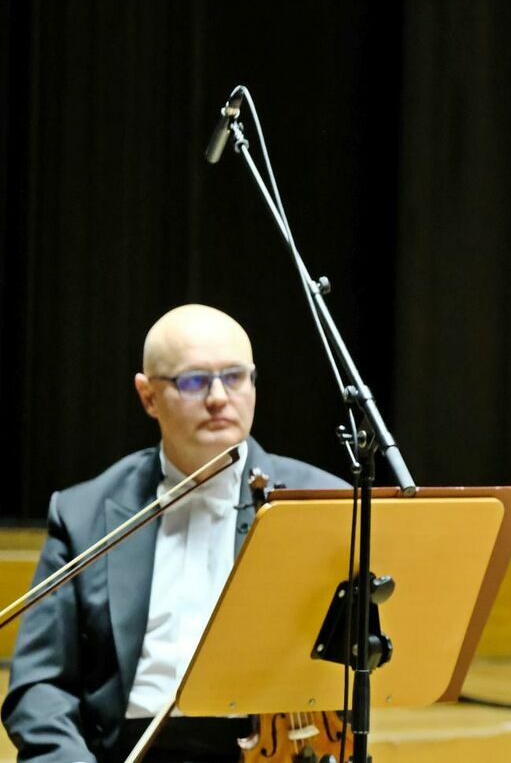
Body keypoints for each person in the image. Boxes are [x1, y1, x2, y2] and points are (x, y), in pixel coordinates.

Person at [3, 304, 347, 763]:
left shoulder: (323, 502)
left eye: (235, 377)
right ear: (148, 396)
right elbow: (40, 685)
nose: (219, 397)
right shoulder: (84, 513)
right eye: (193, 381)